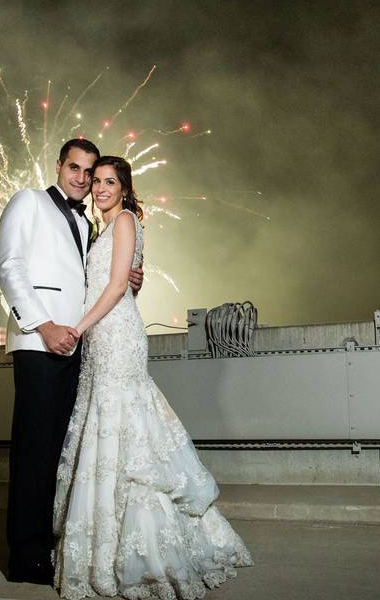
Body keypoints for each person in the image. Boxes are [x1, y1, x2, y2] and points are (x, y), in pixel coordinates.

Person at [52, 156, 252, 599]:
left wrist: (78, 329)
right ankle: (107, 546)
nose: (100, 187)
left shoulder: (123, 221)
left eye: (109, 181)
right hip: (102, 338)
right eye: (96, 181)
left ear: (124, 188)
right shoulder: (104, 229)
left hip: (115, 335)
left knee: (129, 437)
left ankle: (142, 554)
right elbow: (123, 278)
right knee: (109, 434)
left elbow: (119, 285)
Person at [0, 139, 144, 585]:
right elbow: (8, 265)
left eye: (91, 172)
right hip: (43, 343)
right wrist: (42, 325)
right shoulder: (29, 202)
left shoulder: (90, 225)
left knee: (60, 454)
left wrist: (126, 276)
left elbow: (93, 280)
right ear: (59, 166)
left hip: (79, 345)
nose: (82, 179)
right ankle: (26, 559)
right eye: (75, 168)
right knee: (33, 453)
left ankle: (49, 545)